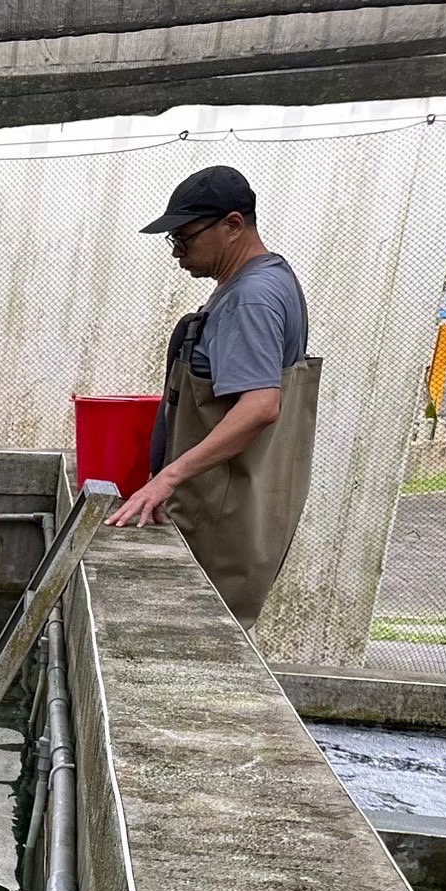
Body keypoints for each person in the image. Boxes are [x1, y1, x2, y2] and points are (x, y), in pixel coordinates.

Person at [106, 165, 318, 630]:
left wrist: (167, 479)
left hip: (223, 521)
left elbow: (261, 406)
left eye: (185, 238)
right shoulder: (260, 280)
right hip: (222, 508)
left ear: (233, 225)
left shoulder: (253, 297)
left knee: (192, 634)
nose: (178, 252)